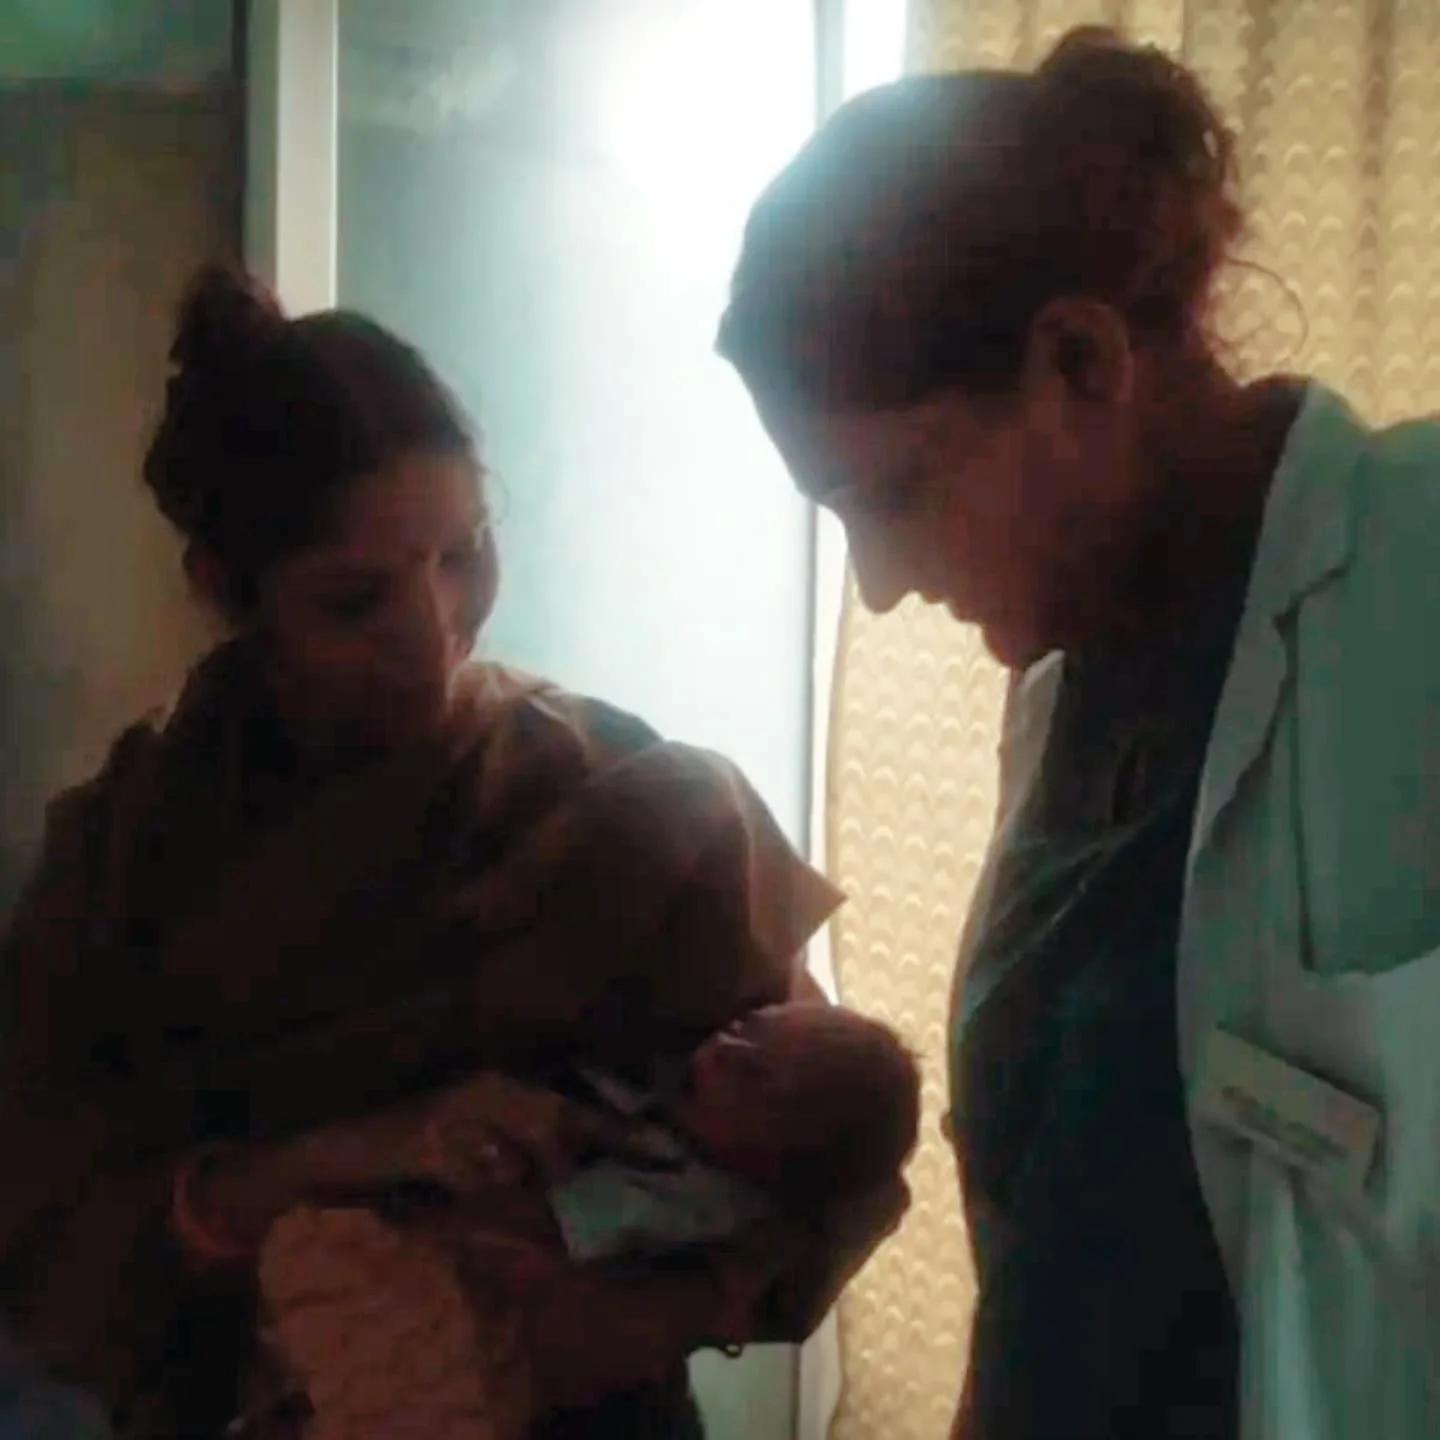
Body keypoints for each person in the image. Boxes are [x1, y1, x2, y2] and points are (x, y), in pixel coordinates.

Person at [0, 266, 907, 1439]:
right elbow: (44, 1233)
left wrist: (650, 1310)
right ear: (226, 591)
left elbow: (838, 1166)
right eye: (354, 601)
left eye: (464, 554)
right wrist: (333, 1162)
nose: (433, 638)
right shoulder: (122, 859)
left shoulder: (633, 805)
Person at [717, 23, 1440, 1440]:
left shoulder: (1417, 575)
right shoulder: (1070, 685)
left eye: (894, 495)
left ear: (1082, 360)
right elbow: (1055, 1227)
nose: (882, 584)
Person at [166, 1002, 920, 1440]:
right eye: (743, 1028)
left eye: (755, 1078)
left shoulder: (694, 1193)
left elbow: (551, 1232)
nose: (725, 1050)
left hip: (474, 1303)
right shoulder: (650, 1095)